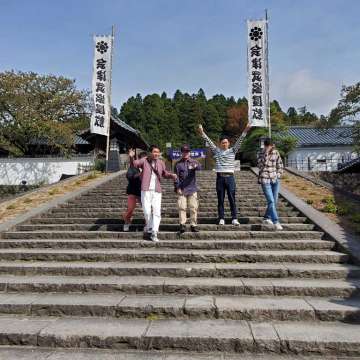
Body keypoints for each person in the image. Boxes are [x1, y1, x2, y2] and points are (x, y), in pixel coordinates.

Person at [197, 123, 251, 225]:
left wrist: (246, 130)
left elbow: (240, 141)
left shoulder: (233, 151)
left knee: (232, 199)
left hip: (230, 177)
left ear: (229, 143)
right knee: (220, 199)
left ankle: (234, 218)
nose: (224, 144)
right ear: (220, 144)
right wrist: (202, 132)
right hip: (220, 178)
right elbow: (208, 141)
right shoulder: (216, 151)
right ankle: (221, 218)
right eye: (222, 143)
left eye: (226, 142)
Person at [129, 145, 177, 242]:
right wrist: (131, 157)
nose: (157, 154)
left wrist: (171, 175)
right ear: (150, 152)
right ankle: (150, 226)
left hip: (157, 191)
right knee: (146, 211)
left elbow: (164, 174)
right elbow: (134, 164)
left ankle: (154, 231)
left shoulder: (161, 163)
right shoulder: (144, 160)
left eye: (158, 152)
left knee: (157, 211)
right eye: (155, 152)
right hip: (145, 190)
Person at [257, 137, 284, 231]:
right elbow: (260, 166)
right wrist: (265, 153)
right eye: (267, 145)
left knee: (274, 201)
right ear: (264, 145)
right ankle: (276, 221)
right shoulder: (260, 153)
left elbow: (280, 165)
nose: (269, 147)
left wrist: (278, 174)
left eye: (270, 146)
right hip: (265, 179)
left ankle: (266, 218)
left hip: (274, 179)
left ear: (273, 145)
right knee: (271, 201)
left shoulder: (276, 153)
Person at [175, 145, 201, 234]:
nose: (185, 153)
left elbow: (200, 168)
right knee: (182, 207)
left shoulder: (193, 161)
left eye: (187, 151)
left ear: (189, 152)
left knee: (193, 207)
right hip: (182, 189)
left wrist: (195, 166)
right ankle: (182, 225)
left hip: (192, 188)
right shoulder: (178, 164)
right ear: (181, 152)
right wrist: (177, 187)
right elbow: (176, 177)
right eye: (184, 151)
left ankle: (193, 225)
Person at [122, 151, 147, 232]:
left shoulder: (148, 167)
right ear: (139, 160)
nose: (144, 161)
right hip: (133, 191)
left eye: (146, 159)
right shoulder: (133, 167)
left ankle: (147, 224)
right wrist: (140, 174)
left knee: (147, 209)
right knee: (130, 209)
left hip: (143, 191)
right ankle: (127, 222)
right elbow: (129, 176)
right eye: (143, 159)